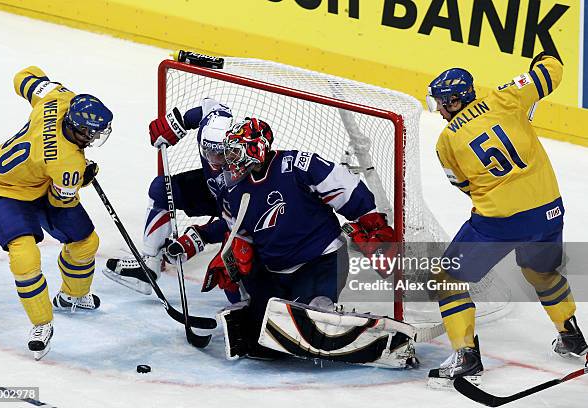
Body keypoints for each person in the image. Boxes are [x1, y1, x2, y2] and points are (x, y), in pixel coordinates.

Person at [163, 117, 395, 358]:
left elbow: (347, 188)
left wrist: (370, 222)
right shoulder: (232, 190)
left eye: (234, 153)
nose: (228, 160)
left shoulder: (297, 166)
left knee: (312, 317)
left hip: (320, 261)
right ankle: (257, 310)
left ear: (255, 150)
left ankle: (338, 320)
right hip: (274, 270)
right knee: (260, 332)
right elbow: (237, 231)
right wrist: (230, 255)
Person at [425, 53, 588, 386]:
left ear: (455, 101)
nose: (439, 111)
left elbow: (465, 187)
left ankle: (466, 357)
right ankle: (571, 337)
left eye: (441, 104)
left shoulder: (446, 143)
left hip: (500, 222)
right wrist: (543, 58)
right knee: (540, 271)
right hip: (549, 211)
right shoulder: (507, 96)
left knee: (447, 277)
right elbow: (551, 72)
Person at [0, 67, 112, 360]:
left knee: (85, 242)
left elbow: (23, 77)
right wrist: (82, 179)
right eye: (92, 133)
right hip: (3, 192)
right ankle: (42, 323)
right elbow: (61, 202)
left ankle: (72, 295)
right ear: (78, 129)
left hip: (38, 184)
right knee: (25, 256)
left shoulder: (59, 97)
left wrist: (39, 82)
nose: (94, 138)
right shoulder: (68, 164)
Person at [104, 98, 231, 296]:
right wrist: (179, 122)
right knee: (160, 189)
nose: (213, 159)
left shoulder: (241, 166)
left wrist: (201, 236)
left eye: (220, 155)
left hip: (238, 204)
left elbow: (242, 221)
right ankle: (149, 266)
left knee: (233, 283)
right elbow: (211, 107)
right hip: (213, 190)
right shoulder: (213, 125)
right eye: (208, 153)